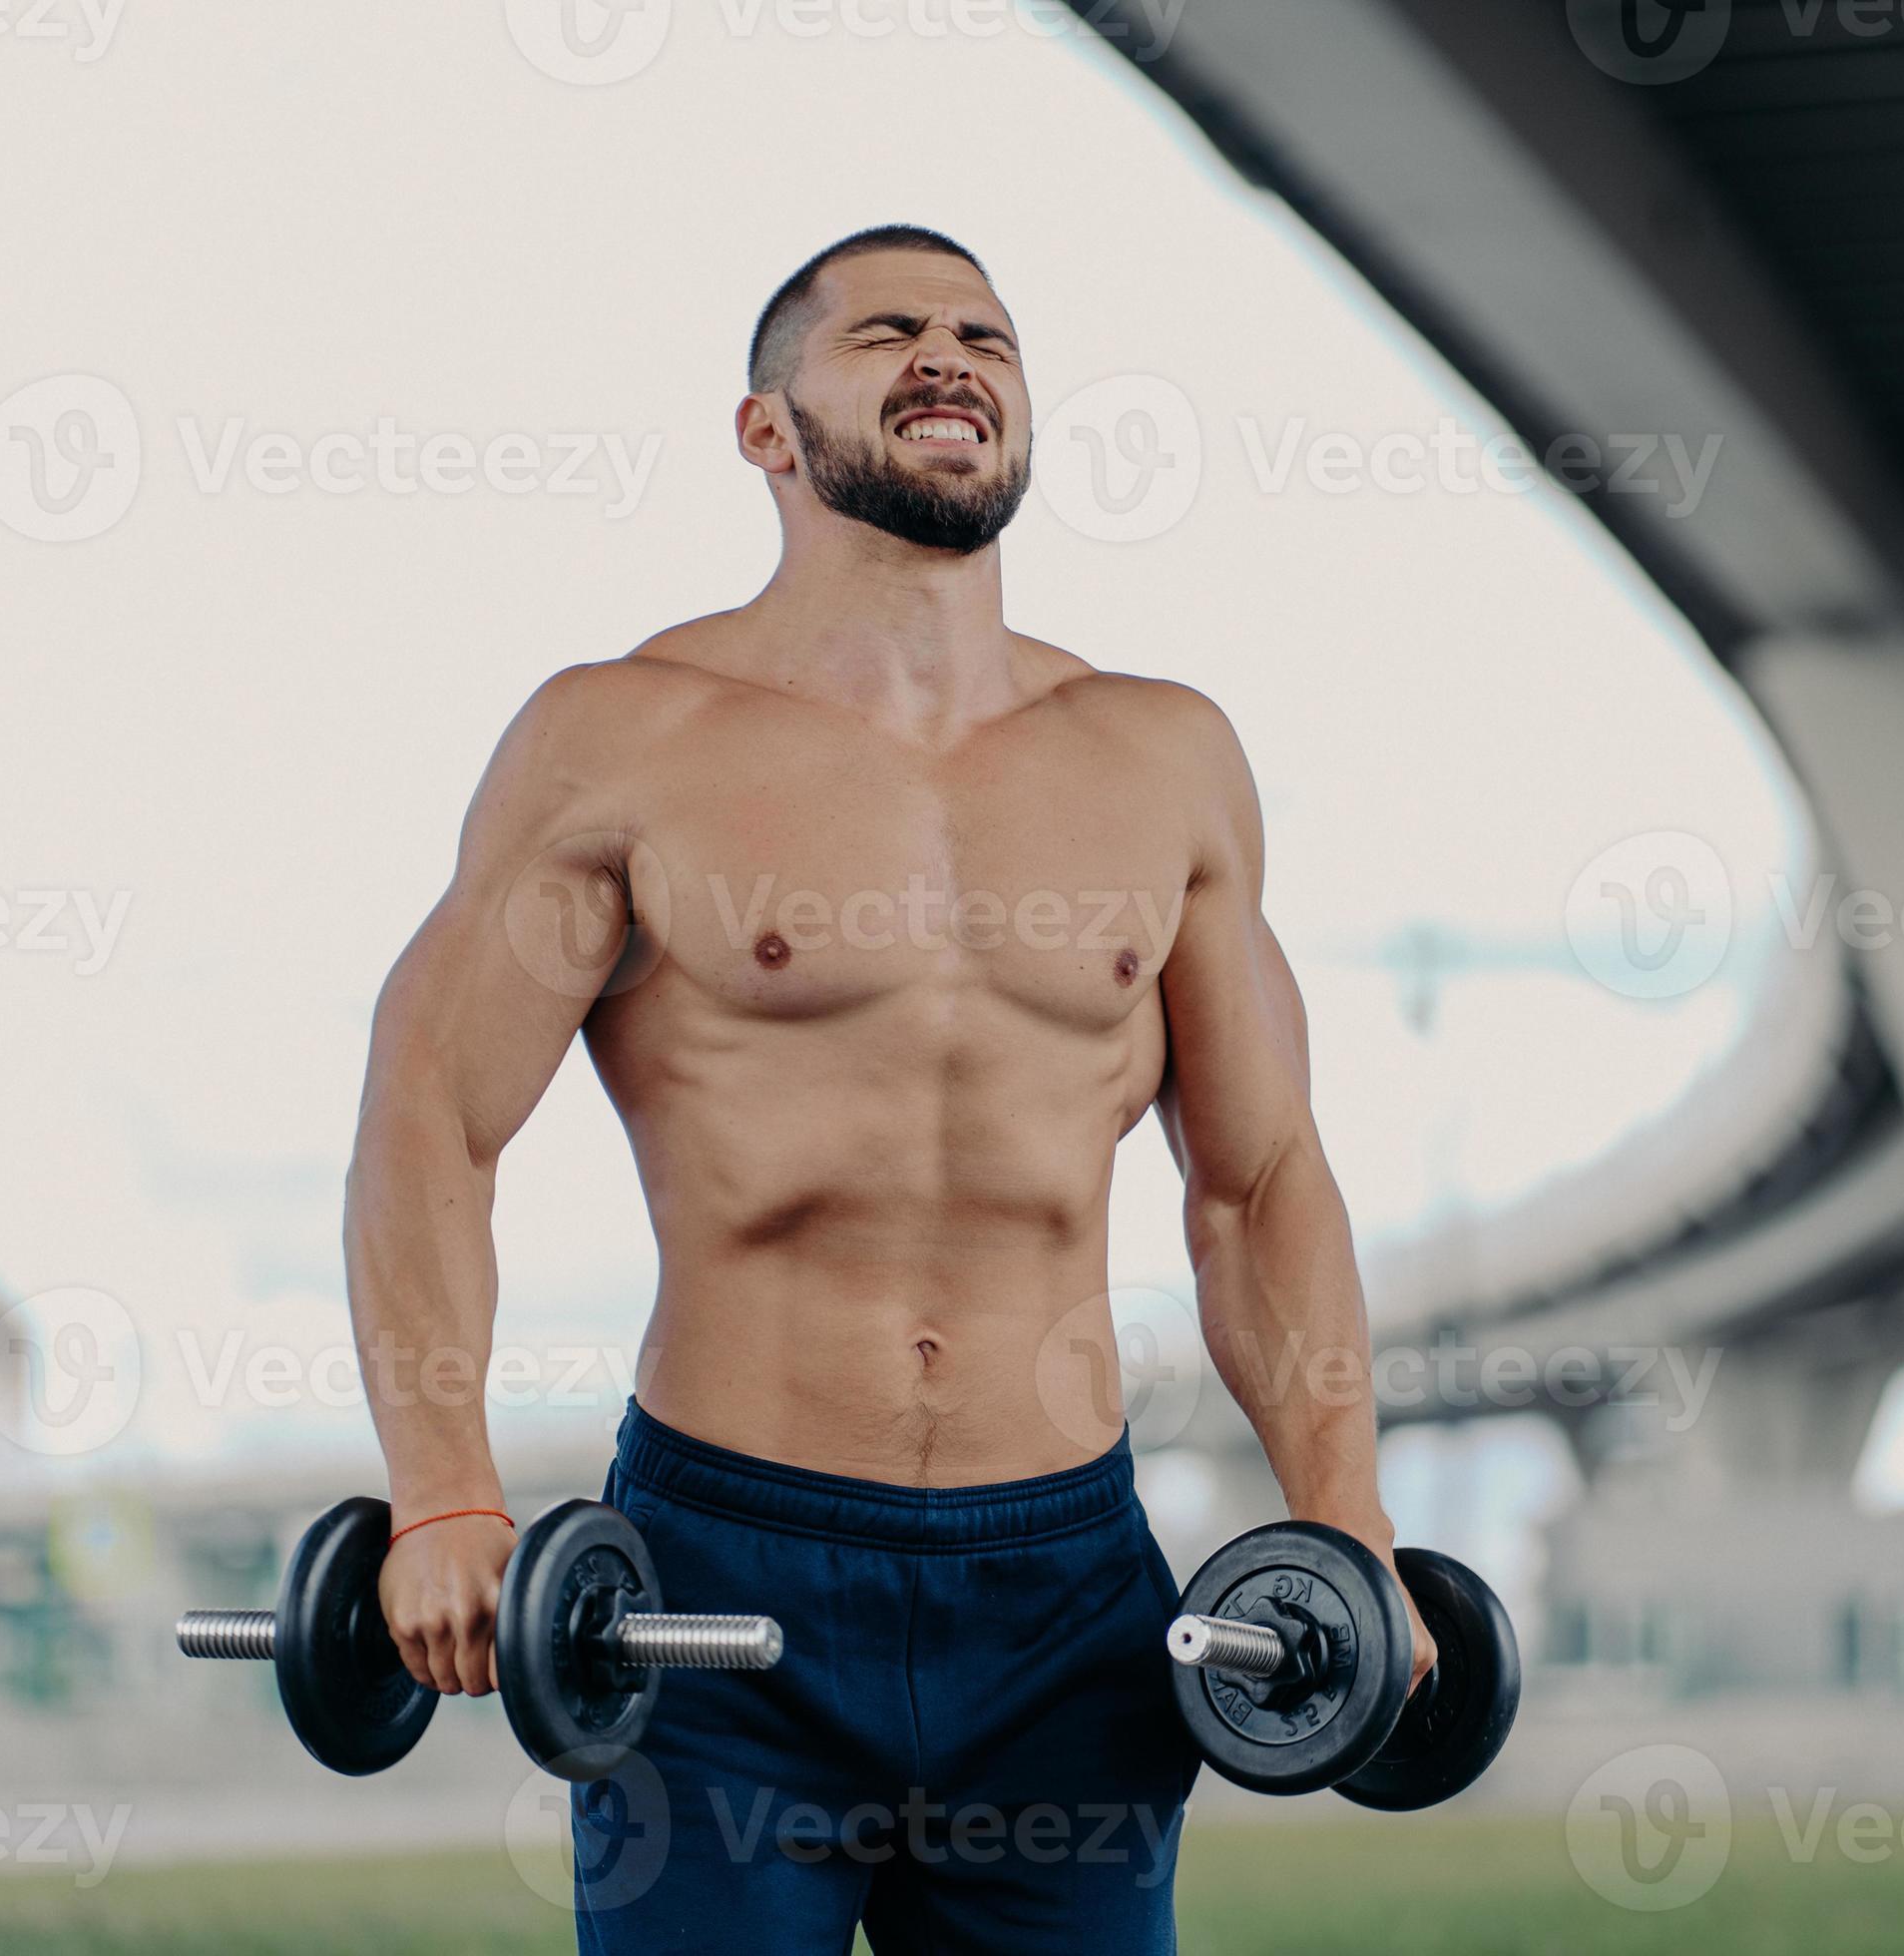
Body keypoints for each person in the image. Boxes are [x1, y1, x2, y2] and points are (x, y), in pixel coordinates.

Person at [340, 224, 1431, 1952]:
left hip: (1067, 1598)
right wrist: (446, 1494)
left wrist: (1347, 1516)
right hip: (716, 1591)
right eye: (890, 332)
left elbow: (1258, 1182)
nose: (952, 357)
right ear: (768, 432)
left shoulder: (1164, 757)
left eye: (988, 337)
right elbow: (428, 1113)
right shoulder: (622, 737)